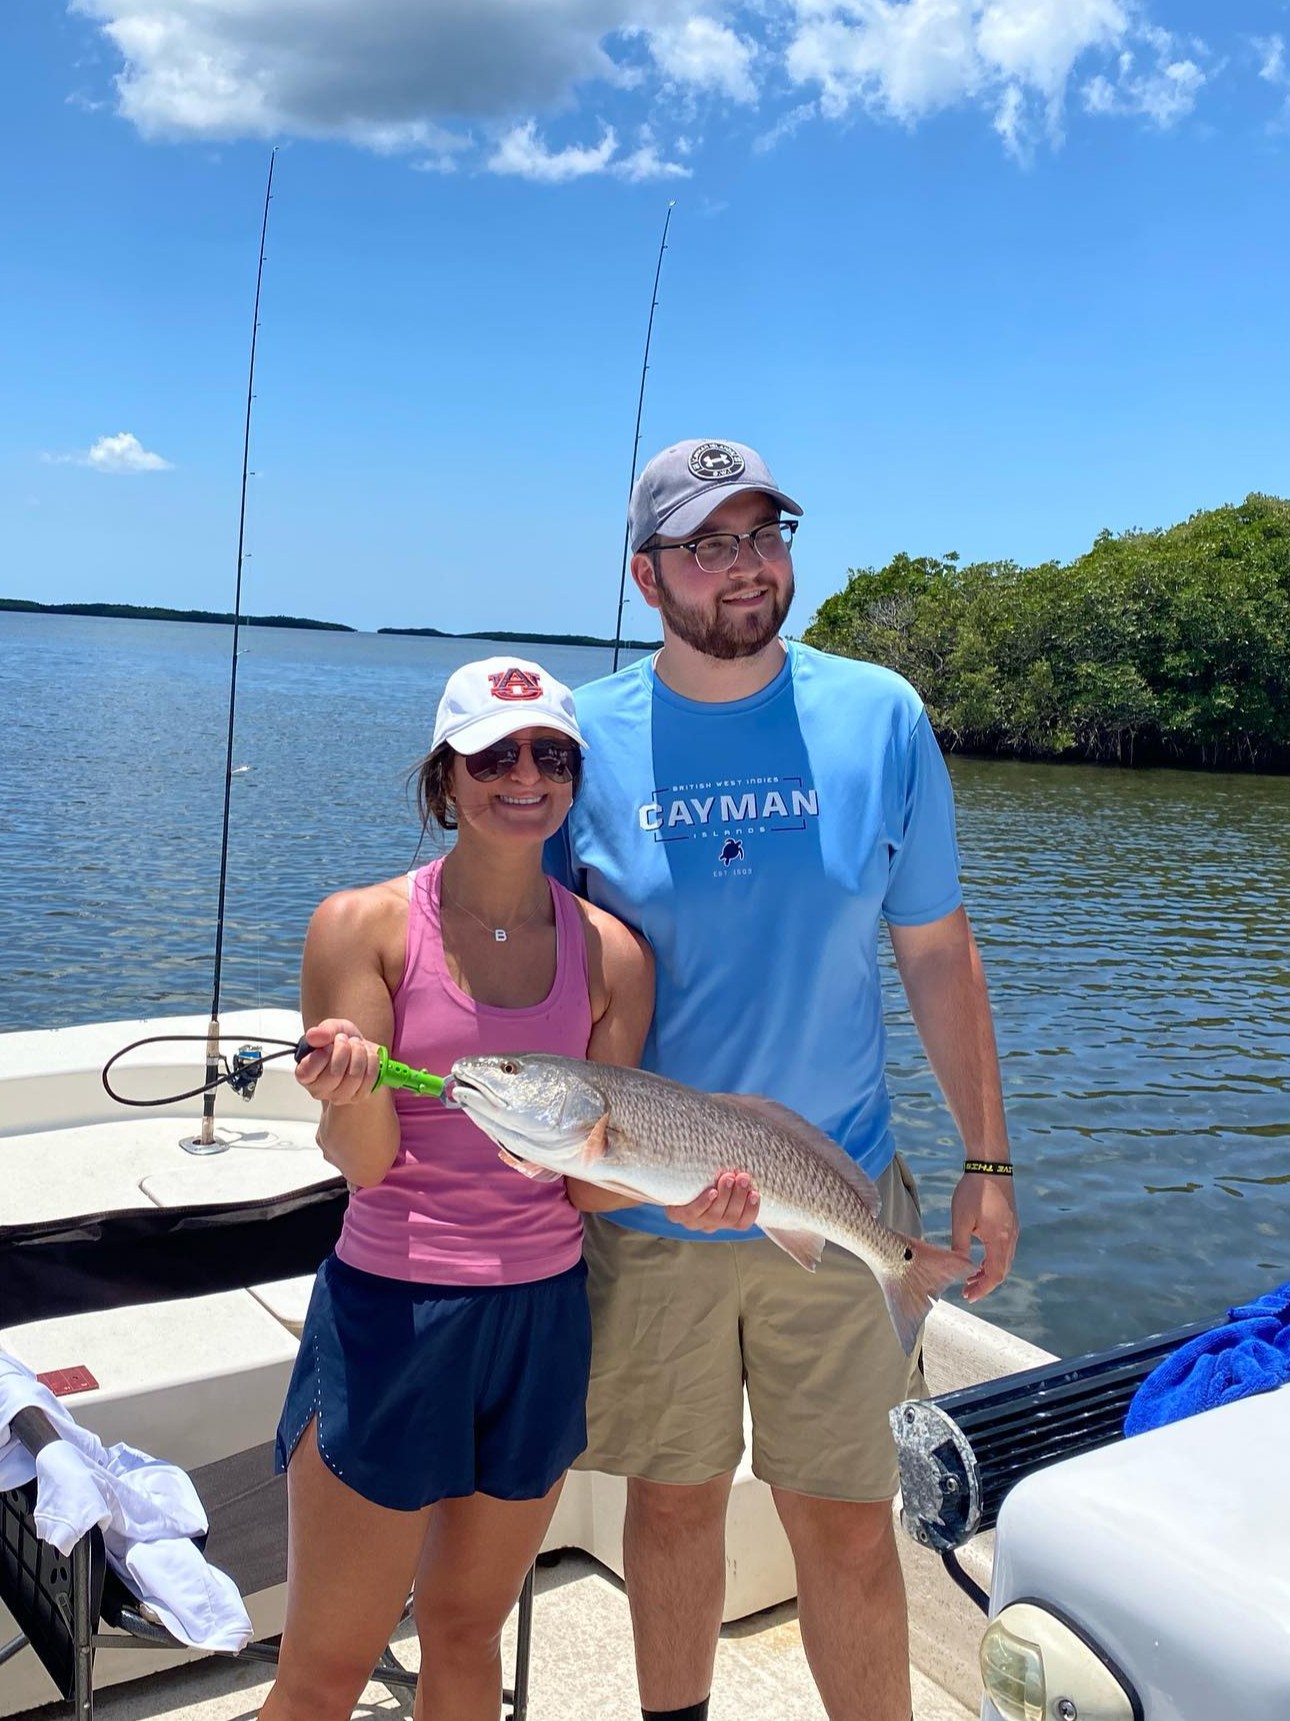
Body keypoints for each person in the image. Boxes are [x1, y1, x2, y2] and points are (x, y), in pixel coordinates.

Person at [547, 439, 1020, 1721]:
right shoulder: (576, 739)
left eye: (765, 532)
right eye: (708, 543)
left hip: (841, 1182)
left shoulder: (881, 714)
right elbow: (535, 977)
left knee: (851, 1525)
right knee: (674, 1501)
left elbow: (936, 950)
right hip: (652, 1211)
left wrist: (985, 1159)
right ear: (648, 577)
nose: (747, 566)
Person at [258, 656, 654, 1721]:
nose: (524, 775)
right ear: (446, 779)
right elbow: (369, 1162)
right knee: (325, 1671)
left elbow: (591, 1193)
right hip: (395, 1314)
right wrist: (347, 1089)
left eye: (551, 755)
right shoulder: (363, 926)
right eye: (494, 754)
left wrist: (680, 1192)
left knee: (468, 1633)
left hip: (541, 1319)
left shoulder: (614, 952)